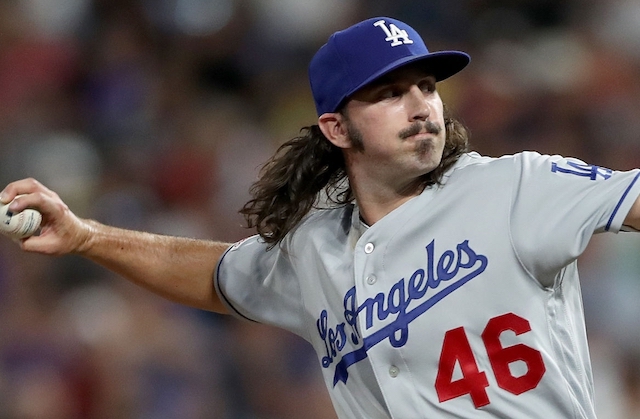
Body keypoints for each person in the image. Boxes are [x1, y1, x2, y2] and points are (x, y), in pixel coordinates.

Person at [2, 16, 640, 419]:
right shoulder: (313, 249)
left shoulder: (516, 186)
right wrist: (87, 236)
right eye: (390, 93)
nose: (421, 105)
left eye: (427, 86)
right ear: (336, 126)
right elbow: (214, 275)